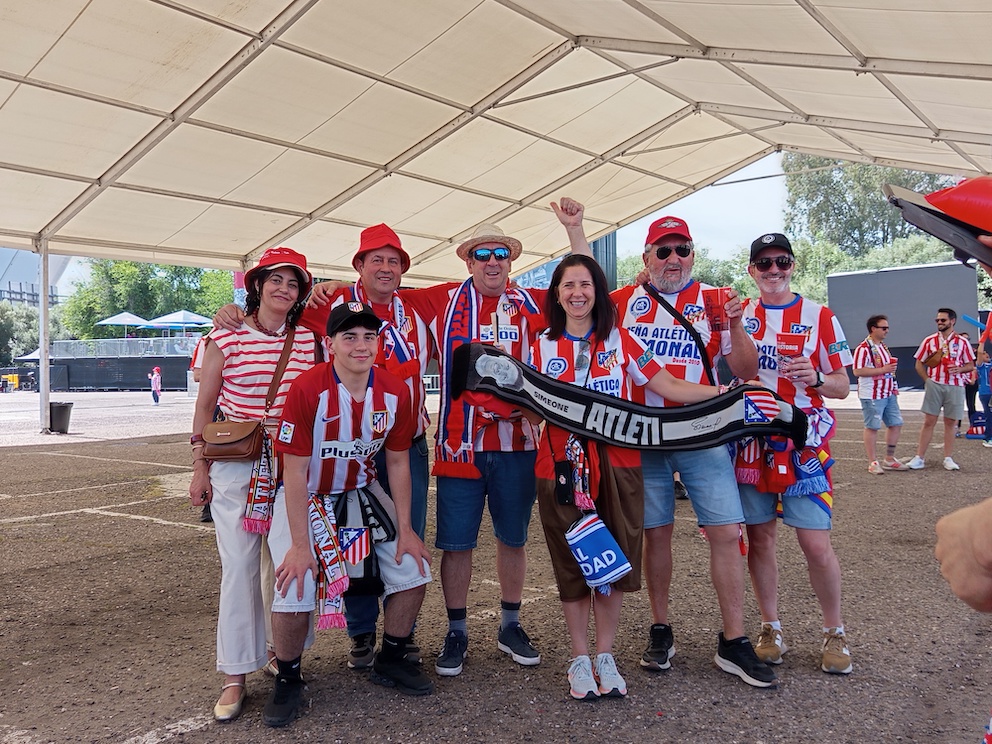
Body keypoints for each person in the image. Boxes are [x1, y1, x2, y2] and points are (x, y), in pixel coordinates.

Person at [554, 200, 774, 688]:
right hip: (642, 436)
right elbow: (581, 283)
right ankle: (660, 627)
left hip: (700, 430)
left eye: (682, 250)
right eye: (663, 250)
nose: (673, 258)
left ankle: (734, 639)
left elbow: (744, 371)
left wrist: (736, 326)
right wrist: (577, 230)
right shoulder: (625, 300)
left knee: (724, 532)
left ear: (692, 256)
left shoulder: (718, 298)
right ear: (647, 256)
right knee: (655, 534)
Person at [529, 253, 727, 700]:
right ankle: (579, 658)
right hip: (560, 468)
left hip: (620, 464)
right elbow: (524, 404)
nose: (577, 293)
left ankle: (605, 654)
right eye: (568, 286)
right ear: (556, 294)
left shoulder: (621, 340)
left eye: (585, 285)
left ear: (597, 292)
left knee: (613, 559)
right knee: (573, 561)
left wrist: (723, 392)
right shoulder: (538, 344)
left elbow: (668, 385)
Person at [266, 301, 434, 727]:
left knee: (413, 567)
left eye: (369, 336)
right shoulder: (307, 388)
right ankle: (287, 678)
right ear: (330, 343)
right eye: (349, 336)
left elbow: (397, 463)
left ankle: (391, 658)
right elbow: (296, 471)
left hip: (361, 488)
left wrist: (408, 529)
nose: (361, 345)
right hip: (308, 494)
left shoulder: (395, 391)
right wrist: (302, 547)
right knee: (296, 579)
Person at [393, 224, 549, 678]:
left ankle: (510, 624)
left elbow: (587, 296)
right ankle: (457, 629)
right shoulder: (444, 299)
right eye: (483, 254)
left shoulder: (532, 303)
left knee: (513, 538)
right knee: (457, 544)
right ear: (468, 261)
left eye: (501, 253)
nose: (492, 261)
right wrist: (326, 289)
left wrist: (637, 283)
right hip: (461, 444)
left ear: (511, 261)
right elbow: (380, 290)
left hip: (518, 442)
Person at [188, 247, 318, 723]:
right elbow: (205, 406)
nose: (283, 289)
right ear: (258, 285)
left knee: (292, 561)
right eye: (275, 280)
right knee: (240, 566)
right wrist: (199, 464)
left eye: (293, 283)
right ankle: (235, 675)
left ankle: (287, 661)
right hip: (236, 461)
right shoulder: (224, 334)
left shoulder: (310, 340)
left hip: (292, 464)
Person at [299, 224, 435, 670]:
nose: (385, 267)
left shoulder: (415, 307)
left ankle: (402, 634)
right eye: (376, 259)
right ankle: (360, 631)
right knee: (351, 538)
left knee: (404, 535)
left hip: (404, 444)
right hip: (347, 449)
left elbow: (486, 280)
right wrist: (231, 314)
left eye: (394, 261)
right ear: (358, 265)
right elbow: (274, 315)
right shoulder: (330, 305)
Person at [738, 232, 854, 675]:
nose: (773, 270)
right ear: (752, 271)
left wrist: (818, 379)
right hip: (751, 441)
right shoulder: (739, 315)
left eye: (781, 261)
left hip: (803, 442)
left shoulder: (821, 316)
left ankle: (835, 630)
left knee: (815, 543)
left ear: (792, 266)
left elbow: (843, 385)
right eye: (764, 263)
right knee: (761, 538)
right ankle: (770, 627)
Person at [906, 307, 975, 471]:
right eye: (937, 320)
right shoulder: (929, 340)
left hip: (955, 385)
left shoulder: (962, 342)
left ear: (952, 321)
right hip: (935, 383)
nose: (939, 323)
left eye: (943, 320)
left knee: (950, 422)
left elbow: (970, 365)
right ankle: (919, 457)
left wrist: (960, 370)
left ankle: (948, 458)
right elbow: (919, 363)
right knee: (929, 421)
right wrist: (927, 380)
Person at [851, 315, 910, 474]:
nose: (887, 331)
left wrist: (893, 385)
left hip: (888, 391)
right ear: (873, 329)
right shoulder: (863, 348)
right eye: (884, 328)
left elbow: (888, 370)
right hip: (872, 394)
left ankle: (889, 459)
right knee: (872, 426)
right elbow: (857, 371)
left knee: (896, 423)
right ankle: (872, 461)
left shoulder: (882, 346)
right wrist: (882, 370)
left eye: (887, 328)